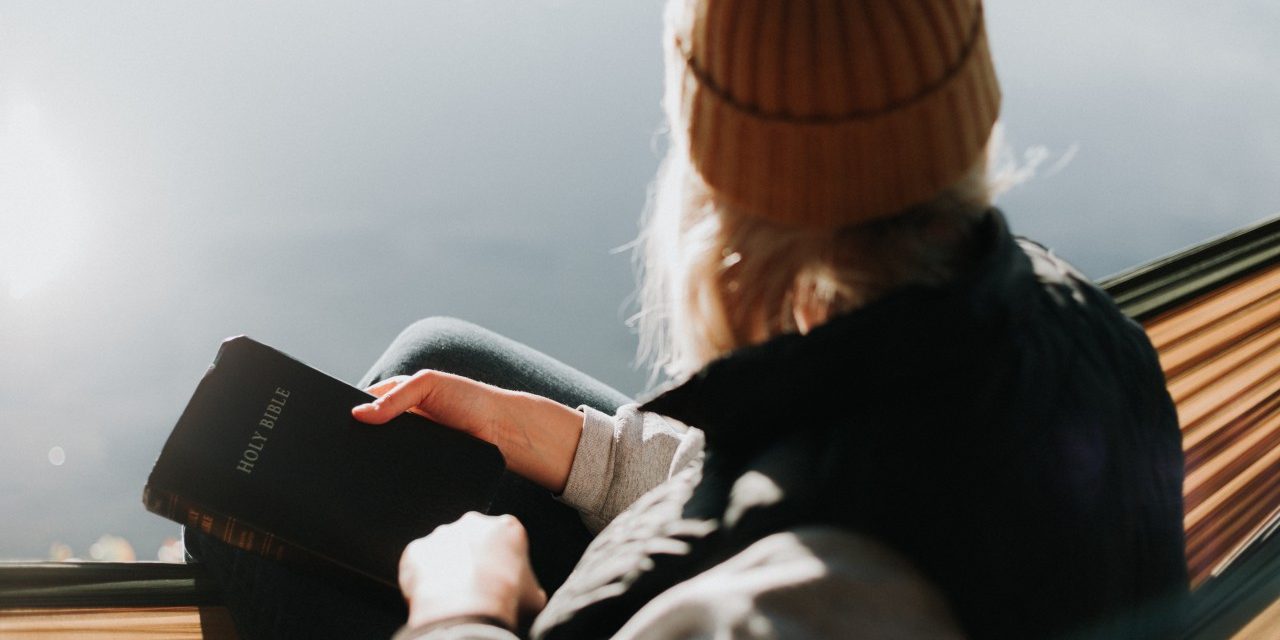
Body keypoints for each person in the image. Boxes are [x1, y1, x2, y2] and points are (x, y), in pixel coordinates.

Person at [187, 0, 1190, 638]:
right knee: (434, 362)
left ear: (716, 189)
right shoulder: (1074, 328)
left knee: (238, 513)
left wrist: (463, 603)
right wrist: (581, 448)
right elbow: (842, 459)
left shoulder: (795, 610)